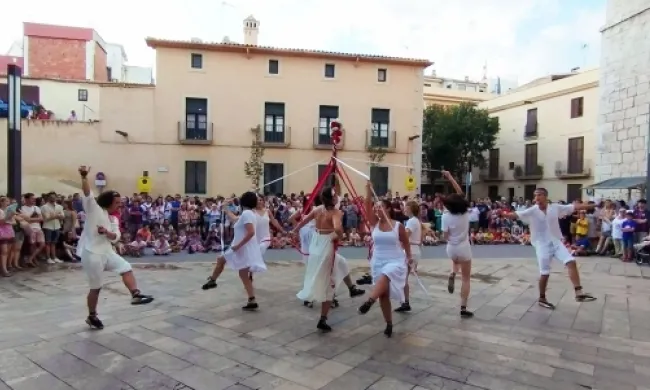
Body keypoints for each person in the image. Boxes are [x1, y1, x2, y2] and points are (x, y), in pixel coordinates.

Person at [76, 166, 154, 330]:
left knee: (126, 267)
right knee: (96, 288)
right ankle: (92, 316)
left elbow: (116, 236)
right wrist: (84, 177)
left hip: (107, 252)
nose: (120, 206)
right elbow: (87, 193)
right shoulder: (94, 209)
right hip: (92, 253)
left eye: (121, 203)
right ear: (108, 201)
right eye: (117, 203)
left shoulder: (114, 218)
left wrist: (108, 233)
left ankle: (136, 294)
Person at [504, 188, 596, 309]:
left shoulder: (555, 208)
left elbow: (574, 207)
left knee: (571, 262)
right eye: (535, 195)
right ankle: (542, 298)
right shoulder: (532, 210)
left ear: (546, 196)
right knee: (545, 273)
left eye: (540, 195)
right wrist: (504, 214)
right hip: (541, 244)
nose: (537, 198)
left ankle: (579, 293)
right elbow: (515, 215)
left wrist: (592, 205)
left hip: (556, 241)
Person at [358, 181, 411, 338]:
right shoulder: (374, 223)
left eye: (380, 207)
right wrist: (368, 190)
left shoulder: (398, 225)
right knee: (383, 295)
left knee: (386, 275)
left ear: (388, 208)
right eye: (376, 208)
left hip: (395, 260)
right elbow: (367, 205)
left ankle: (369, 301)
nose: (376, 209)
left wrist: (410, 258)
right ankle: (388, 323)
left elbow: (406, 243)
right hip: (378, 260)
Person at [293, 187, 348, 332]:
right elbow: (336, 228)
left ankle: (349, 288)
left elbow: (303, 221)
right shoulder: (335, 213)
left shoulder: (317, 209)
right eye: (335, 196)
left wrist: (294, 230)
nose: (337, 197)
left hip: (316, 243)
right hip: (325, 245)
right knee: (329, 280)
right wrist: (341, 235)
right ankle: (323, 317)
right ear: (333, 199)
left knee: (329, 269)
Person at [201, 192, 265, 311]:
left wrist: (238, 246)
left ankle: (213, 280)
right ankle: (251, 299)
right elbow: (235, 219)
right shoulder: (249, 213)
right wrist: (225, 208)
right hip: (242, 247)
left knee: (223, 261)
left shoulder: (247, 214)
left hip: (241, 247)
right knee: (240, 272)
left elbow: (251, 232)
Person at [440, 171, 474, 318]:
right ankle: (463, 307)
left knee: (455, 260)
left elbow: (445, 236)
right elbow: (460, 192)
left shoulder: (445, 216)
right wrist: (450, 177)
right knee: (466, 279)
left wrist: (450, 238)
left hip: (451, 248)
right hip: (464, 247)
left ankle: (453, 272)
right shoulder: (466, 213)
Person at [395, 200, 422, 313]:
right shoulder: (415, 221)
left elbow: (405, 237)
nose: (404, 209)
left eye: (406, 207)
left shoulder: (411, 221)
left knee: (402, 277)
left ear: (410, 209)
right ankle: (404, 301)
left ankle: (405, 302)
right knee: (403, 277)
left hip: (411, 250)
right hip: (415, 250)